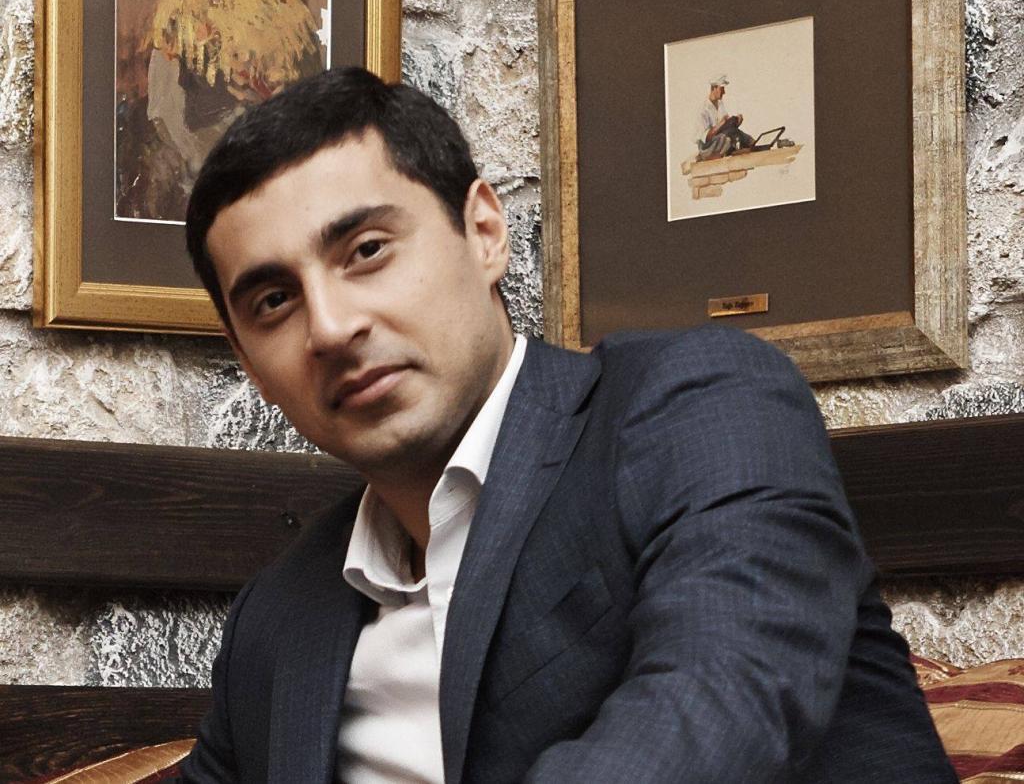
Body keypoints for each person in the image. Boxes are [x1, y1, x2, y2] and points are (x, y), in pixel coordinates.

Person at [175, 67, 956, 783]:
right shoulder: (278, 618)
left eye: (367, 250)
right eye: (273, 301)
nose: (330, 326)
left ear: (485, 233)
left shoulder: (695, 405)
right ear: (250, 364)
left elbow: (717, 698)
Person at [133, 0, 323, 220]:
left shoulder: (283, 2)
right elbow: (163, 99)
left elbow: (305, 106)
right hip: (197, 167)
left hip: (265, 171)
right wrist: (196, 156)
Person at [696, 74, 755, 161]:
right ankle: (751, 143)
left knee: (732, 130)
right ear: (714, 88)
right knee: (728, 137)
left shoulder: (720, 104)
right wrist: (721, 124)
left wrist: (736, 122)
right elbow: (705, 138)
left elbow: (726, 127)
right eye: (722, 89)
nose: (724, 92)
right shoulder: (703, 109)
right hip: (707, 148)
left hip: (719, 141)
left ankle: (751, 144)